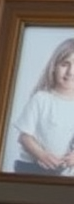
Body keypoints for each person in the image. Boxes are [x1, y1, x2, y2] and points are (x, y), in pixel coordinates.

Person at [11, 37, 74, 175]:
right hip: (31, 168)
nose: (70, 72)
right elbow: (24, 137)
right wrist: (41, 155)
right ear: (53, 67)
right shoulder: (41, 99)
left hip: (63, 172)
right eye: (65, 64)